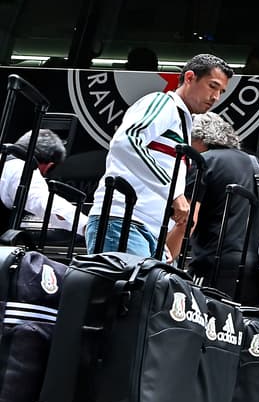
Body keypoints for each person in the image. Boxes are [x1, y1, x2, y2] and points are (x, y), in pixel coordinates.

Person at [86, 53, 232, 258]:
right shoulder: (164, 103)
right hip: (124, 222)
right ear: (189, 78)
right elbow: (126, 141)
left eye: (221, 91)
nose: (216, 97)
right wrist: (174, 194)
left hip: (143, 228)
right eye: (212, 86)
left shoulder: (181, 119)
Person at [166, 112, 259, 301]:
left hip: (214, 266)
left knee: (207, 324)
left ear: (199, 138)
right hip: (258, 268)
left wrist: (165, 256)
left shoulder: (204, 163)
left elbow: (188, 220)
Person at [0, 130, 85, 235]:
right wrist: (85, 225)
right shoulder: (21, 168)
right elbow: (44, 203)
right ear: (49, 166)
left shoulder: (5, 159)